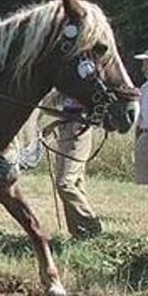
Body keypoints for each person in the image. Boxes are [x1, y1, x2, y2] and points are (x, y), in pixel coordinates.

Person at [54, 96, 103, 237]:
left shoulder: (91, 77)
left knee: (65, 183)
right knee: (76, 182)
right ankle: (79, 232)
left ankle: (93, 225)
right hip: (67, 122)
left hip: (78, 125)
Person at [133, 48, 148, 184]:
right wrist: (137, 137)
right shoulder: (144, 88)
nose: (143, 68)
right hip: (145, 135)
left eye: (145, 63)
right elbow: (140, 118)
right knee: (142, 180)